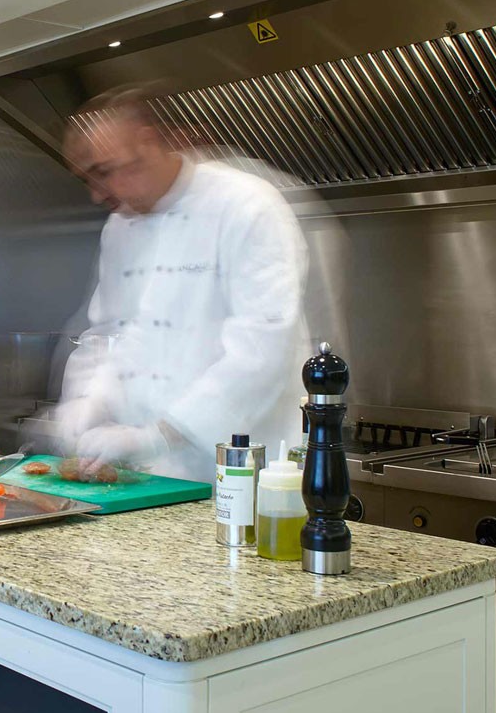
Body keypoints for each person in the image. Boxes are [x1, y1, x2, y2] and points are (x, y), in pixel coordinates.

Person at [55, 86, 311, 483]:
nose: (97, 193)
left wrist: (159, 435)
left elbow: (263, 349)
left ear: (148, 142)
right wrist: (88, 401)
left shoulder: (246, 205)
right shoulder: (119, 228)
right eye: (86, 178)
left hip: (242, 472)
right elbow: (109, 333)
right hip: (149, 474)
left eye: (105, 171)